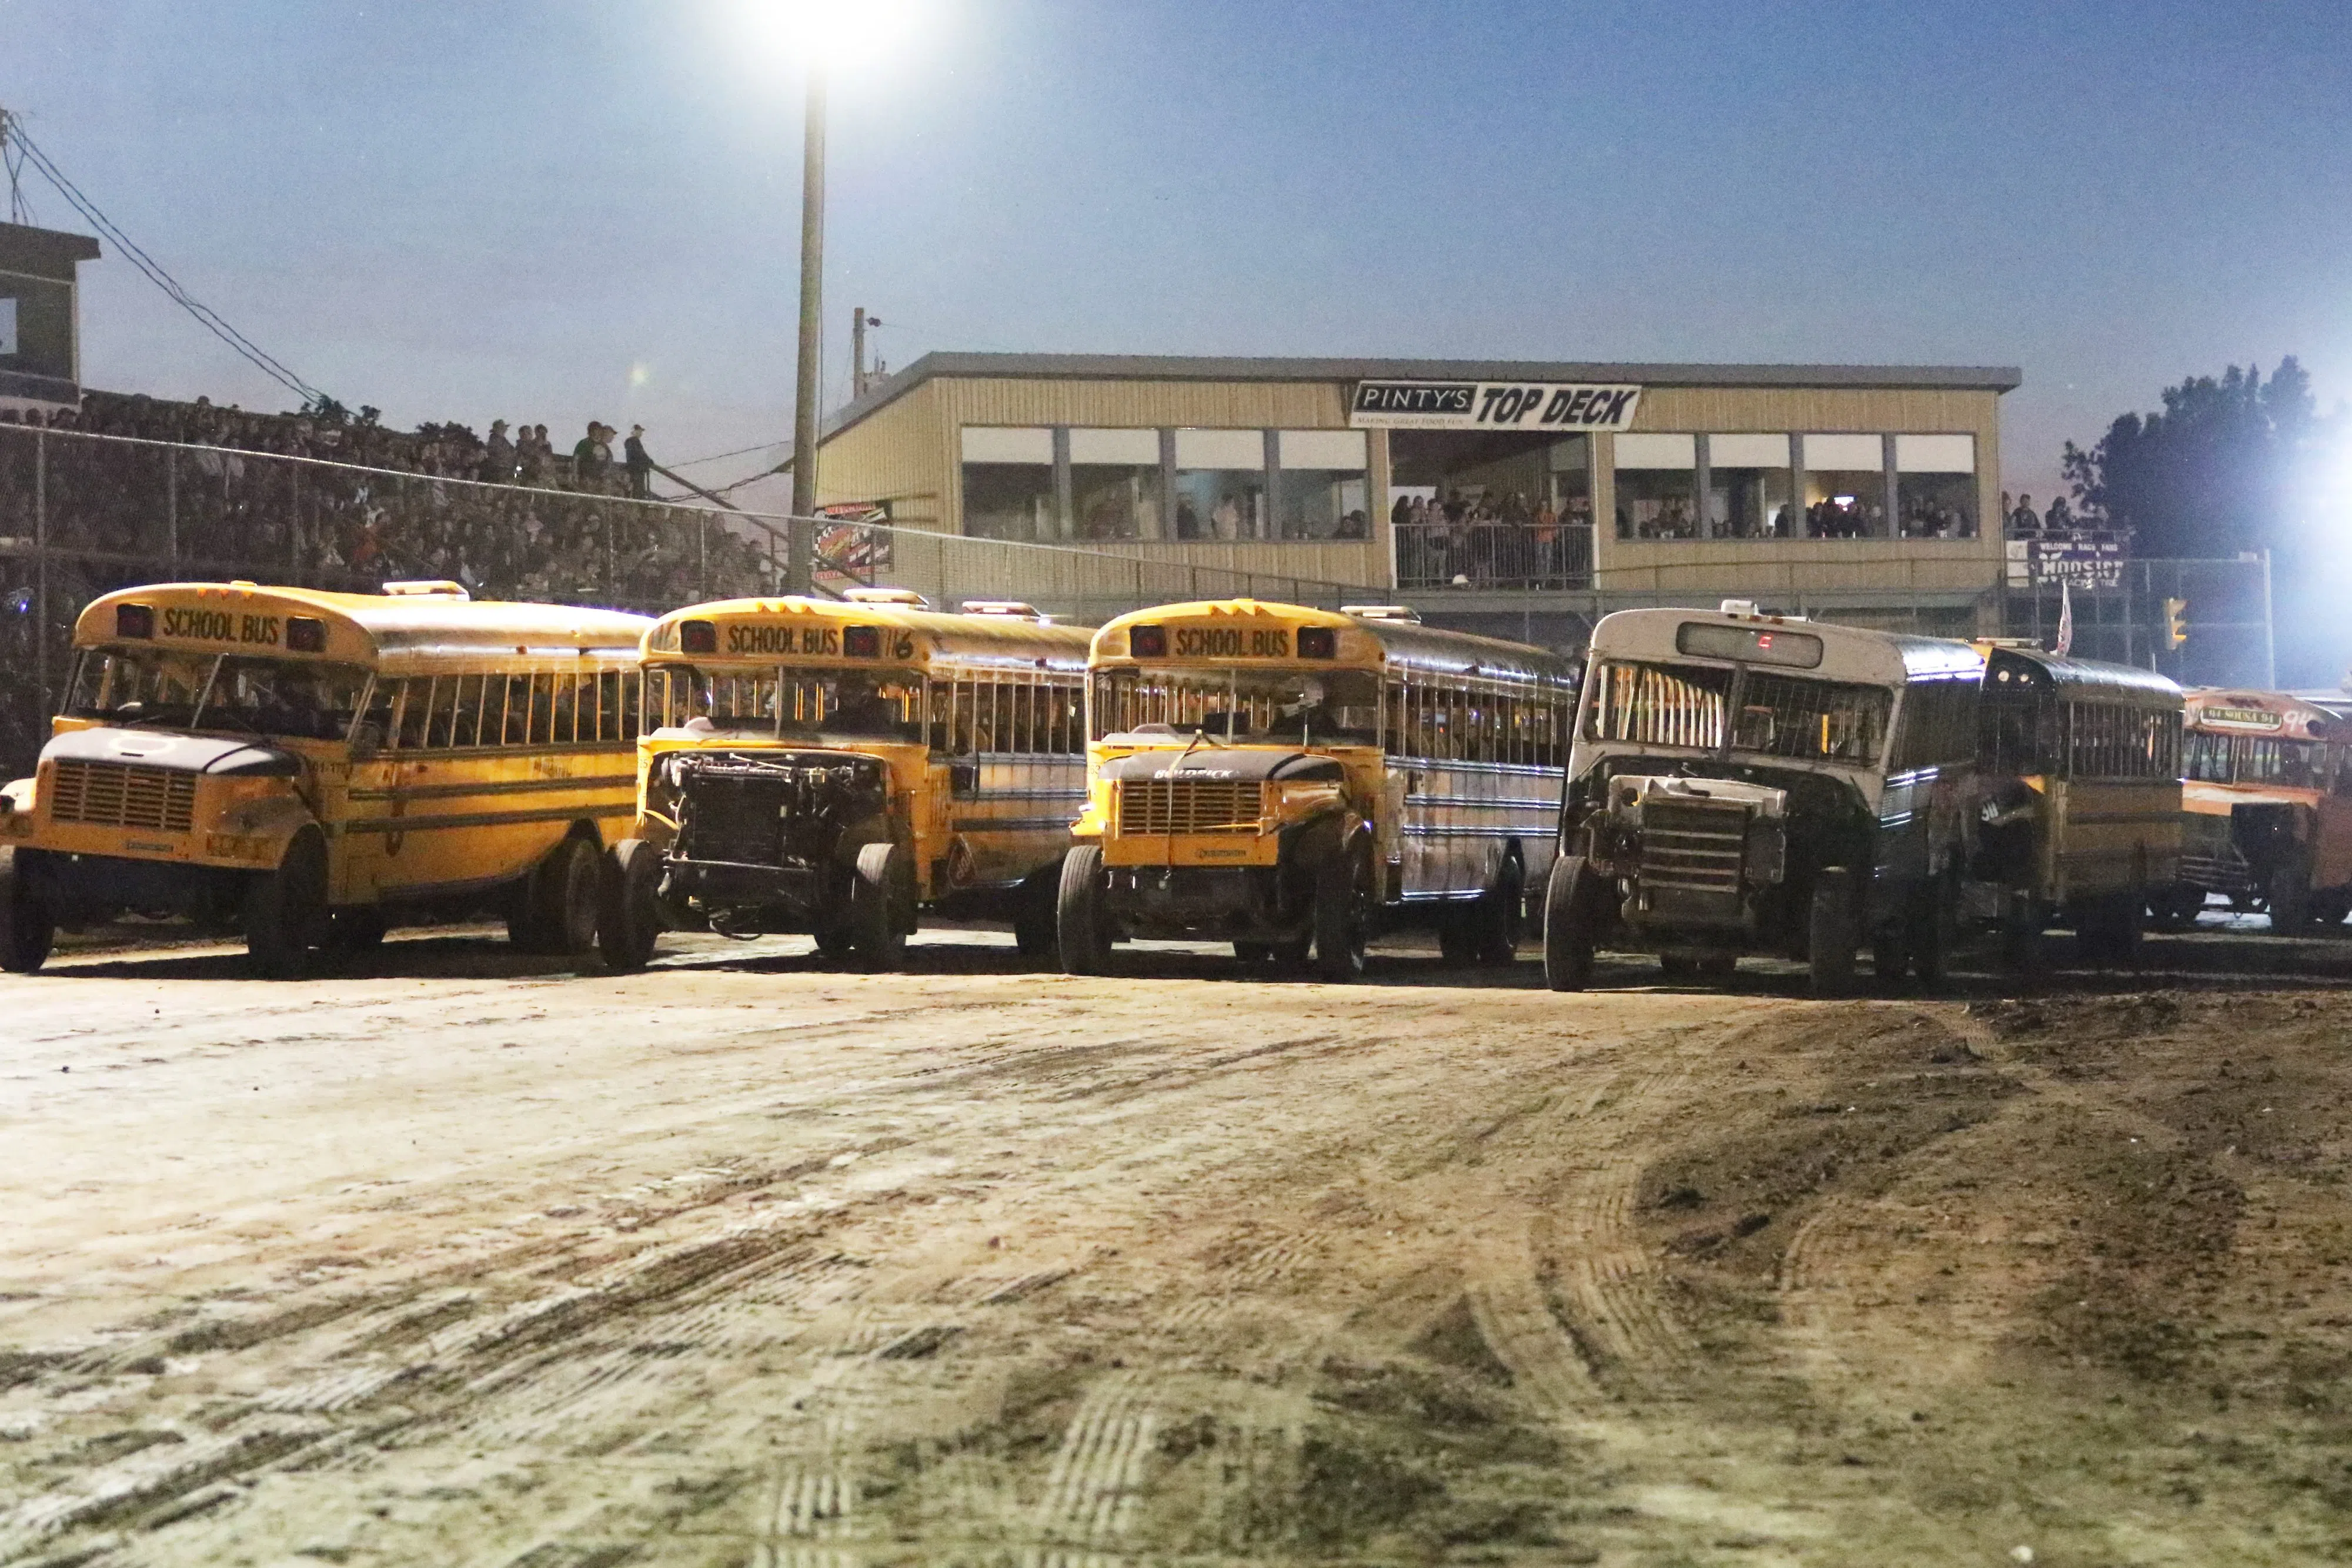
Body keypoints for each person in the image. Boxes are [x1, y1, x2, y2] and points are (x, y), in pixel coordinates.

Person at [482, 420, 516, 484]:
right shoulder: (495, 441)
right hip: (500, 469)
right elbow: (500, 454)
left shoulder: (503, 440)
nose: (505, 430)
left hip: (508, 467)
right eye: (503, 428)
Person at [624, 424, 652, 499]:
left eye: (640, 431)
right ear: (634, 432)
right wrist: (648, 461)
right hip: (637, 470)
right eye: (639, 431)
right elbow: (640, 454)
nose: (641, 433)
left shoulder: (631, 442)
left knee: (636, 489)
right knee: (638, 490)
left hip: (635, 469)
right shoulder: (634, 441)